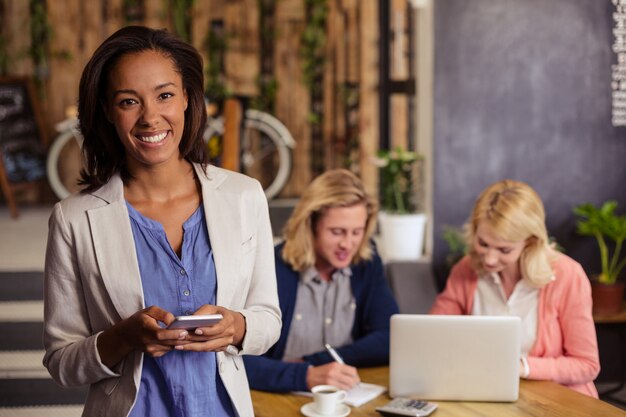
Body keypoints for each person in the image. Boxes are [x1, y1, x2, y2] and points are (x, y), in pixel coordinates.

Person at [42, 26, 281, 417]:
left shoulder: (244, 196)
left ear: (187, 97)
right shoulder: (75, 219)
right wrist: (123, 338)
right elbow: (61, 362)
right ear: (107, 110)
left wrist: (236, 326)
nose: (151, 118)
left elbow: (268, 320)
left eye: (165, 95)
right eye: (128, 101)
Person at [430, 179, 600, 397]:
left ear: (530, 243)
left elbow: (587, 365)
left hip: (556, 401)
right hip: (485, 393)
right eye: (483, 243)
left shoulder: (567, 275)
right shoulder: (467, 268)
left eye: (504, 249)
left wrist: (523, 367)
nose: (490, 260)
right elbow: (435, 334)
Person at [243, 169, 400, 392]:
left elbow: (391, 337)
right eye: (337, 232)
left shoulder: (366, 263)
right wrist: (303, 375)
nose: (348, 244)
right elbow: (239, 361)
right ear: (310, 225)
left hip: (341, 395)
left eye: (357, 232)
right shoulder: (272, 266)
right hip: (278, 396)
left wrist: (319, 361)